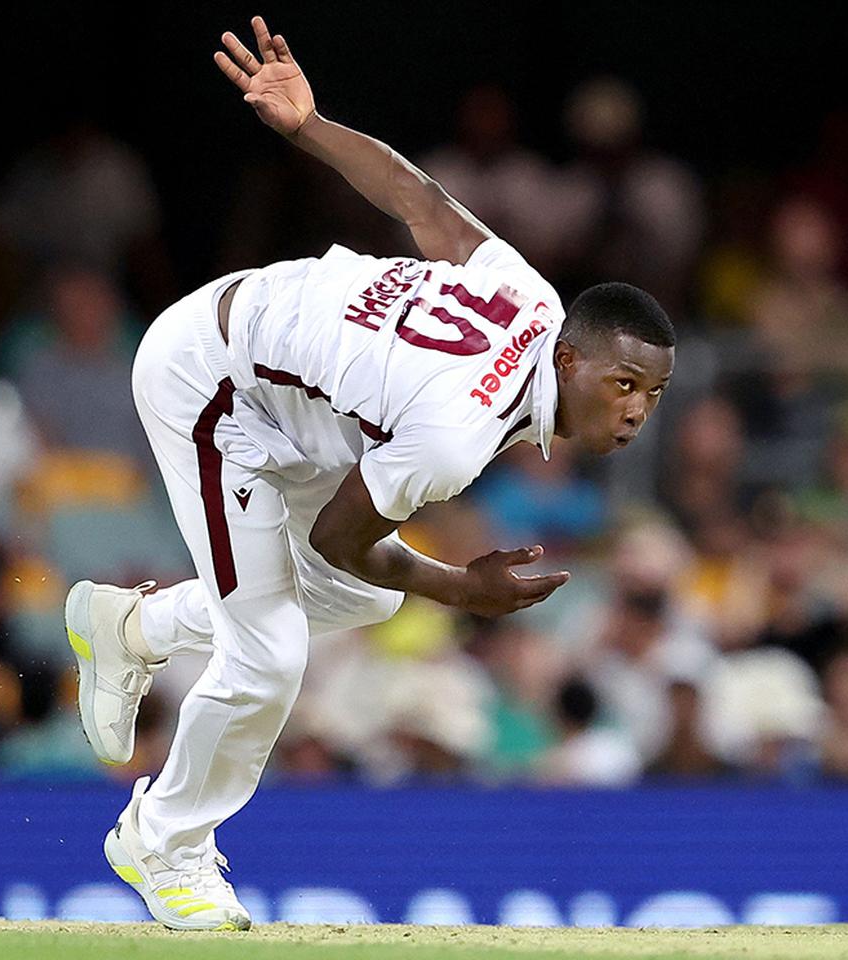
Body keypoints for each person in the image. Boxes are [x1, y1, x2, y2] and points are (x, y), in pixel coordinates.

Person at [62, 16, 675, 931]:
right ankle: (161, 842)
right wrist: (463, 588)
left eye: (654, 395)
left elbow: (417, 198)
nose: (636, 411)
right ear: (574, 365)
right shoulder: (457, 435)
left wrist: (311, 125)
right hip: (214, 381)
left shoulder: (537, 300)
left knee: (367, 601)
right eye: (625, 385)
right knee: (270, 650)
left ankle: (134, 624)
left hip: (295, 389)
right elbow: (339, 536)